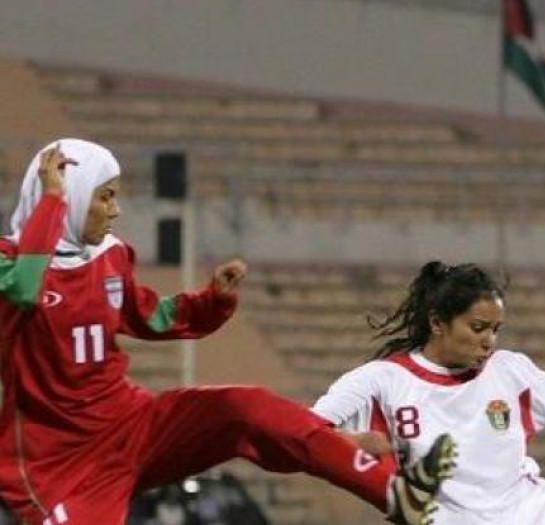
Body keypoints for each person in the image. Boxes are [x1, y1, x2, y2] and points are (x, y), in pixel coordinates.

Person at [0, 139, 453, 525]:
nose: (115, 210)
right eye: (104, 197)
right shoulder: (8, 261)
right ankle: (329, 444)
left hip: (133, 425)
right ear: (70, 196)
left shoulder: (111, 256)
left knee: (245, 408)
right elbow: (25, 288)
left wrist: (210, 301)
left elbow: (153, 317)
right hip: (57, 464)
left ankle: (392, 492)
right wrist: (52, 201)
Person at [312, 261, 545, 525]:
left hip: (528, 508)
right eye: (478, 328)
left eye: (495, 330)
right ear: (438, 323)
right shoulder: (382, 380)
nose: (489, 340)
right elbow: (306, 431)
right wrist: (356, 442)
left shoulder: (509, 370)